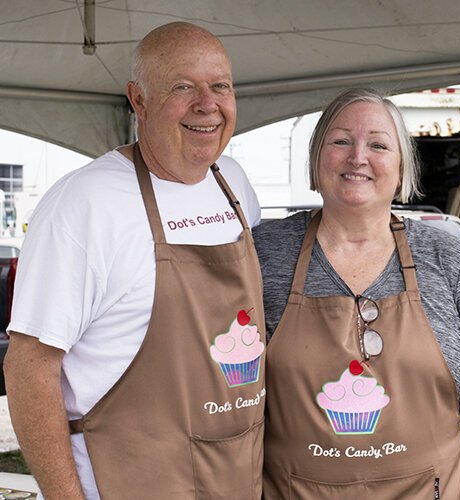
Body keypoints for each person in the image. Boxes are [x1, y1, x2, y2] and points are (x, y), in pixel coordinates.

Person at [4, 23, 266, 499]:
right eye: (183, 87)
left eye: (220, 86)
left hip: (232, 475)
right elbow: (28, 368)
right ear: (138, 100)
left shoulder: (233, 183)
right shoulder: (85, 204)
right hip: (126, 478)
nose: (207, 104)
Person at [255, 88, 460, 499]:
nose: (358, 157)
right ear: (315, 158)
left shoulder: (449, 259)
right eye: (341, 140)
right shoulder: (263, 253)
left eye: (378, 144)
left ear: (401, 170)